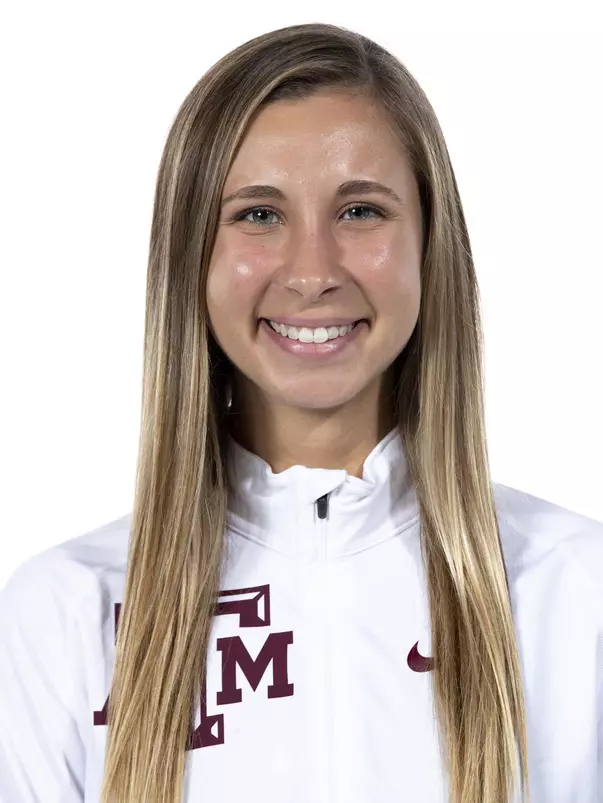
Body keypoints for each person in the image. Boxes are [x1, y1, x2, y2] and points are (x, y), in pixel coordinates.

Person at [0, 21, 601, 803]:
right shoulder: (66, 613)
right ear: (191, 256)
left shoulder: (574, 589)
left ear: (428, 243)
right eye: (257, 214)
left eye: (360, 211)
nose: (311, 270)